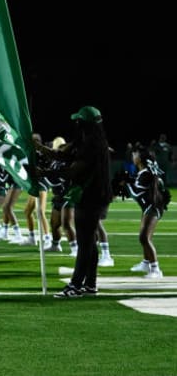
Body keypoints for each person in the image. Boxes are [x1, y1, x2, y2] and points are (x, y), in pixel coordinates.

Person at [46, 106, 112, 298]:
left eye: (79, 121)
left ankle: (75, 286)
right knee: (89, 242)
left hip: (91, 198)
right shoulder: (89, 142)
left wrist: (44, 174)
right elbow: (62, 155)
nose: (76, 124)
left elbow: (72, 171)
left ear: (86, 124)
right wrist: (38, 148)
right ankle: (90, 284)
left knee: (85, 242)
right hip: (92, 196)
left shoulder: (92, 146)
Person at [120, 146, 170, 278]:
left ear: (140, 158)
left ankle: (156, 269)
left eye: (135, 154)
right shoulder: (145, 172)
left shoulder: (146, 173)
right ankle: (146, 262)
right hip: (149, 207)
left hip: (152, 208)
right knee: (145, 237)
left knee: (144, 238)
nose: (133, 156)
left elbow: (136, 194)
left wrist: (126, 184)